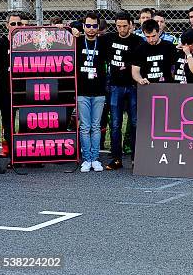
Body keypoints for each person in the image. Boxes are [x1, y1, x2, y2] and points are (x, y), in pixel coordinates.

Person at [102, 11, 142, 170]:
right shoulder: (109, 38)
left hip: (132, 85)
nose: (122, 29)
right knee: (116, 123)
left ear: (131, 25)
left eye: (125, 26)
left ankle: (135, 158)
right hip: (115, 86)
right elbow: (91, 39)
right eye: (118, 26)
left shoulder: (138, 41)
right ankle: (116, 158)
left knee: (134, 122)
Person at [76, 12, 108, 173]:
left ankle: (94, 158)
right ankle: (86, 158)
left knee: (95, 126)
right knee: (84, 127)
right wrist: (73, 29)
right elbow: (60, 32)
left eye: (94, 26)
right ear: (83, 27)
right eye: (87, 26)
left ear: (98, 27)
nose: (90, 29)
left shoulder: (103, 42)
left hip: (99, 91)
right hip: (82, 91)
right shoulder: (77, 41)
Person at [0, 13, 24, 172]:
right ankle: (12, 155)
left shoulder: (27, 44)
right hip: (6, 91)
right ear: (7, 25)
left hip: (24, 90)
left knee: (27, 121)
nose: (16, 26)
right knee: (8, 123)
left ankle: (25, 153)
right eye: (13, 23)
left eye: (19, 24)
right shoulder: (0, 44)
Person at [131, 19, 177, 85]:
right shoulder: (140, 49)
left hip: (167, 86)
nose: (151, 40)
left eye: (153, 36)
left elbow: (174, 67)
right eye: (148, 37)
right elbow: (135, 71)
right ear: (143, 34)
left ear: (158, 32)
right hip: (147, 86)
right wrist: (140, 80)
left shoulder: (169, 46)